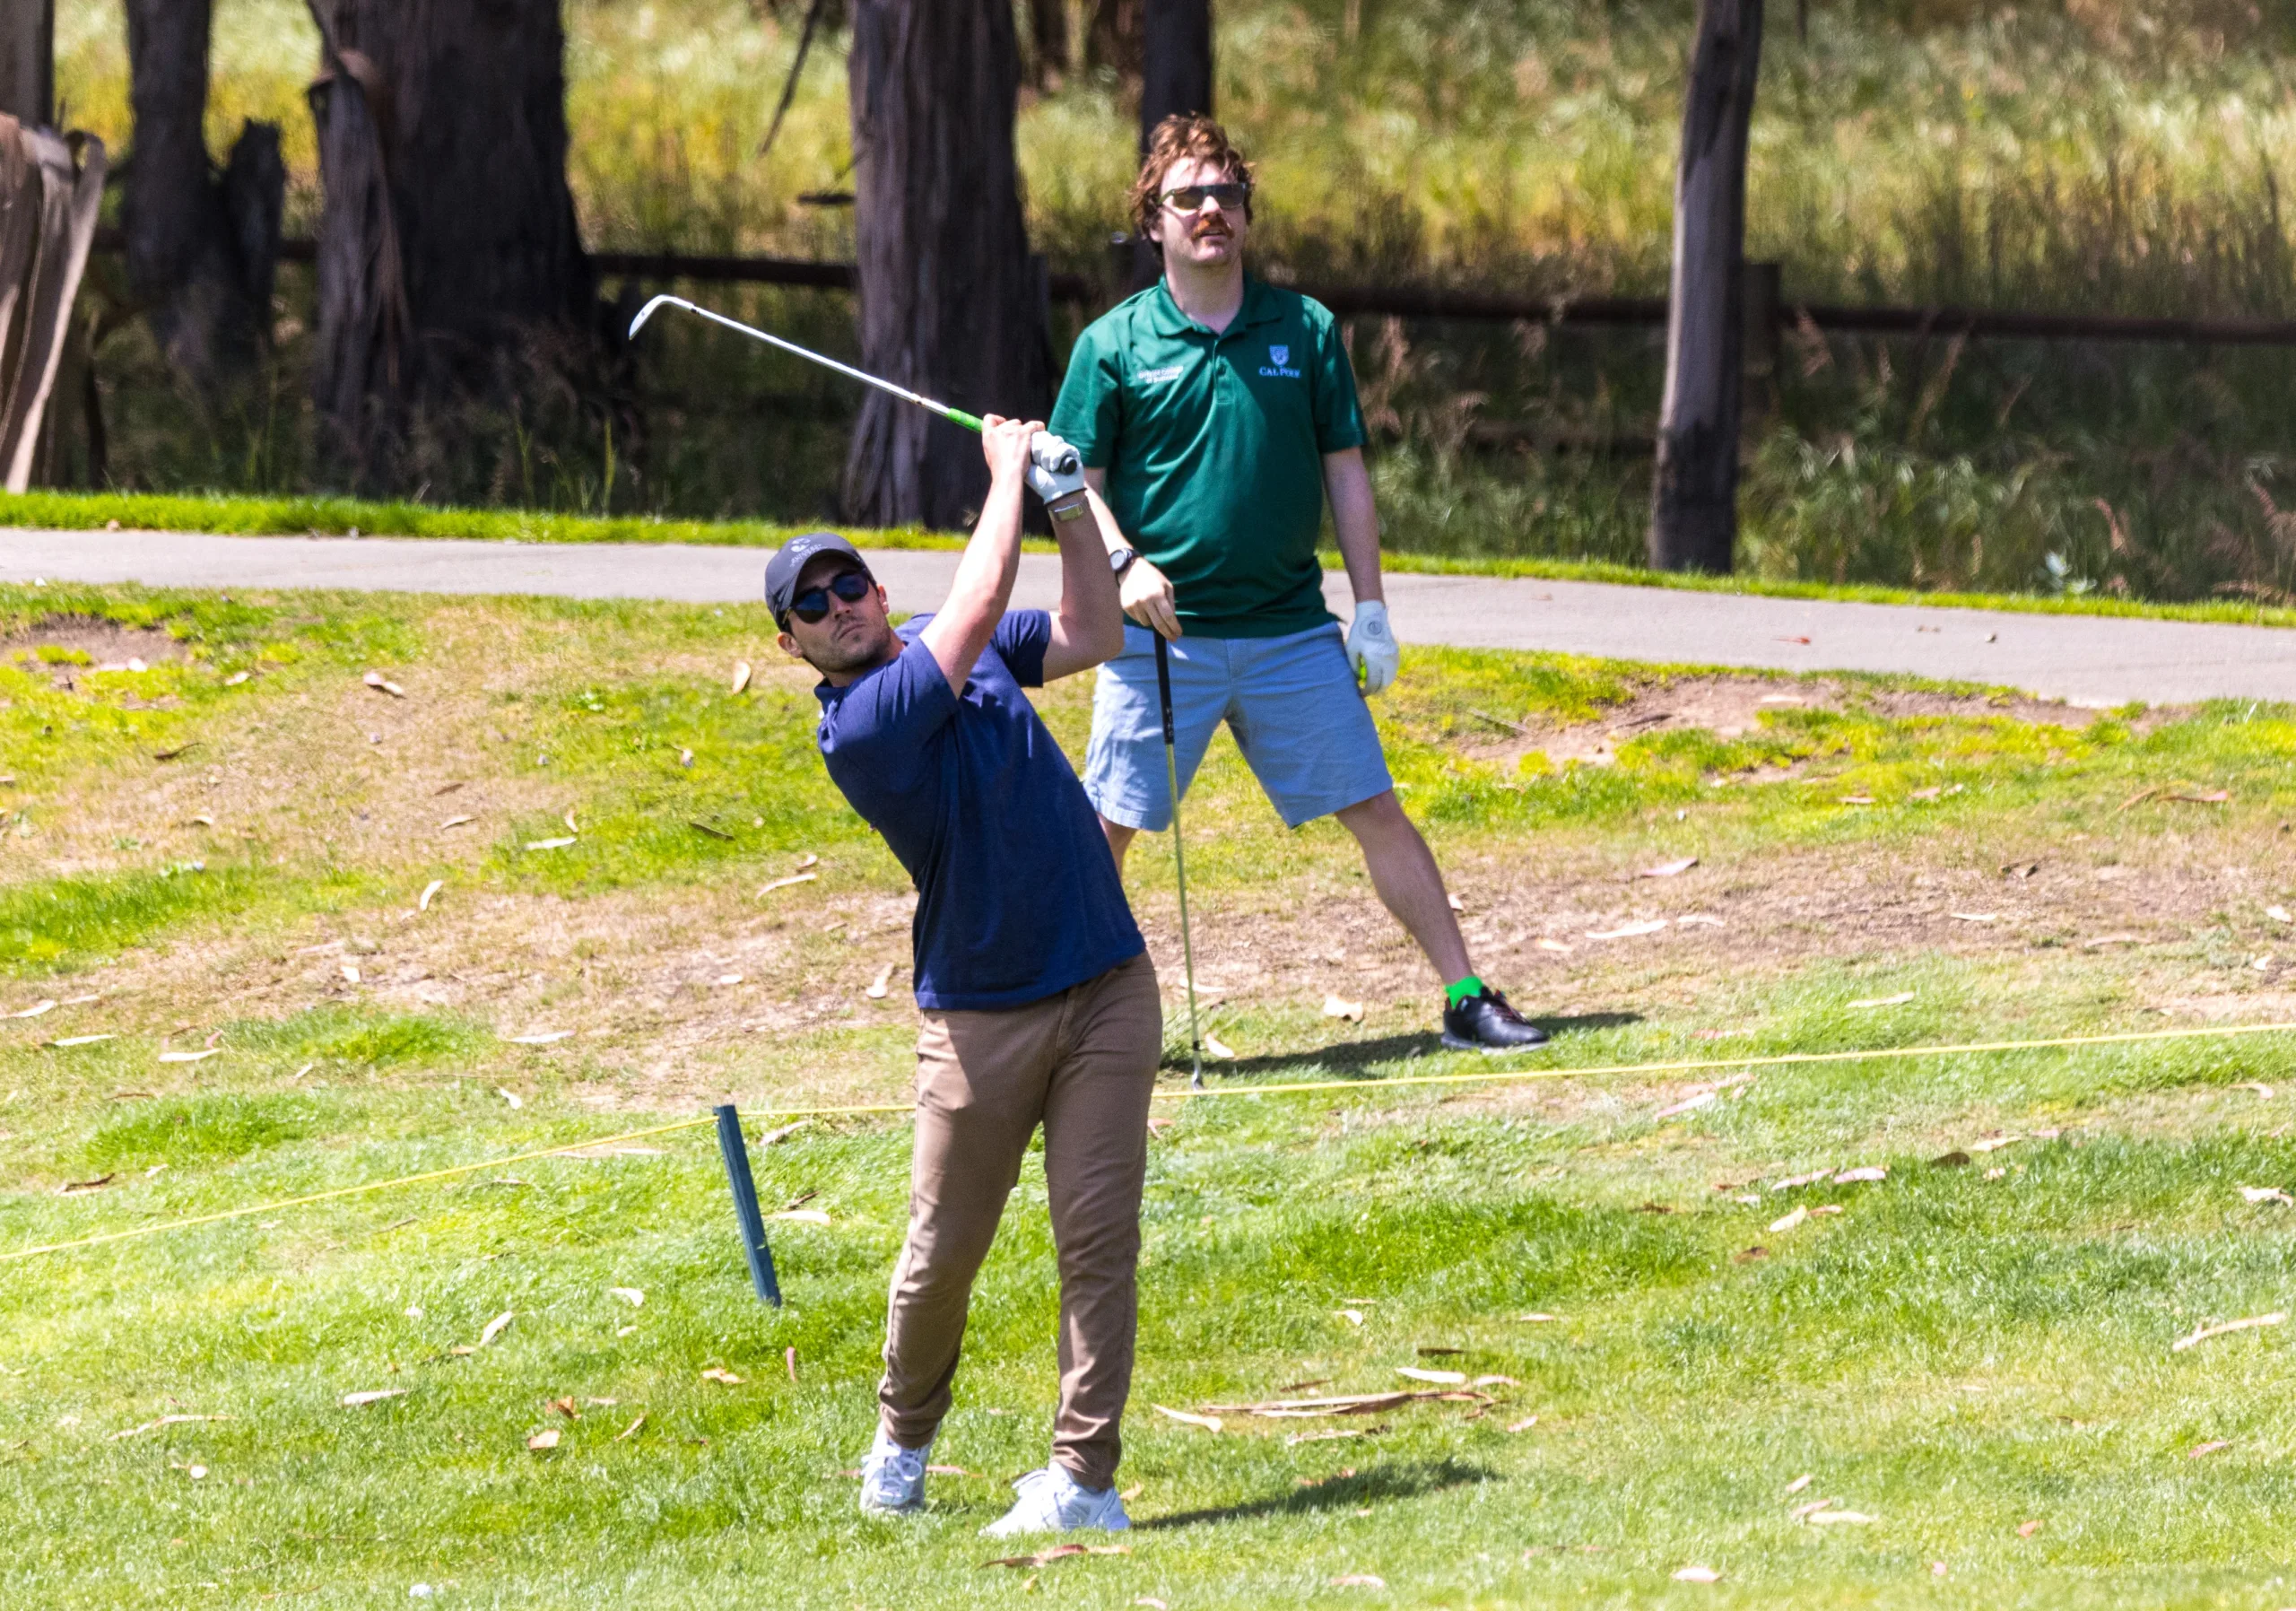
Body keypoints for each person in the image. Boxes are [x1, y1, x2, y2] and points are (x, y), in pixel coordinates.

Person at [1048, 115, 1549, 1053]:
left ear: (1245, 213)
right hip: (1163, 638)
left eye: (1225, 195)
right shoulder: (1112, 344)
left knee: (1375, 807)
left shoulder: (1304, 328)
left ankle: (1466, 994)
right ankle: (1059, 1025)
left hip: (1287, 631)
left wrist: (1369, 606)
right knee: (1104, 831)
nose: (1209, 211)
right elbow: (1073, 480)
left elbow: (1345, 469)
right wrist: (1120, 564)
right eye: (1186, 197)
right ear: (1151, 220)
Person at [768, 415, 1156, 1536]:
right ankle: (901, 1438)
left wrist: (1069, 498)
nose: (839, 604)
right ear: (794, 644)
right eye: (813, 604)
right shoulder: (863, 724)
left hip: (1105, 983)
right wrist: (1004, 477)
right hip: (980, 1016)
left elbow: (1091, 632)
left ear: (879, 589)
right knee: (943, 1255)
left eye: (849, 582)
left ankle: (1084, 1482)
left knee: (1096, 1240)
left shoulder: (951, 637)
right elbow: (982, 601)